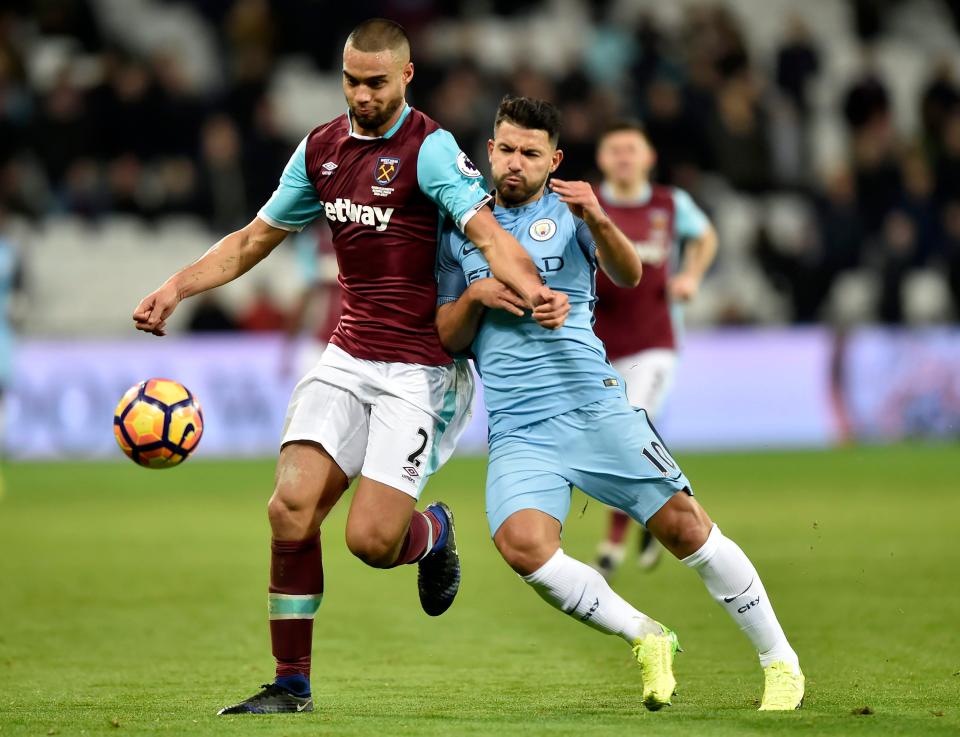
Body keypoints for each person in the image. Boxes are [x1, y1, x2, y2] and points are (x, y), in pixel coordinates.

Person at [132, 20, 568, 715]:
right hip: (347, 352)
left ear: (405, 77)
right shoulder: (321, 150)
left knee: (370, 540)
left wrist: (534, 287)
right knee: (290, 507)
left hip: (420, 369)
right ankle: (290, 683)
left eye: (376, 82)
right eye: (351, 81)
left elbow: (486, 230)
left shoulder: (429, 150)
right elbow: (254, 239)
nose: (361, 95)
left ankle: (433, 533)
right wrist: (178, 287)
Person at [436, 96, 803, 712]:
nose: (514, 164)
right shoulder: (461, 229)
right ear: (489, 150)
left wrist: (601, 219)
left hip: (594, 408)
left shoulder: (572, 211)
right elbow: (448, 335)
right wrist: (476, 296)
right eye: (505, 149)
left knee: (686, 527)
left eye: (530, 153)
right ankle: (647, 635)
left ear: (554, 160)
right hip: (520, 428)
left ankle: (780, 661)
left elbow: (632, 275)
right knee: (523, 546)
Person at [590, 122, 718, 576]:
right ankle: (661, 507)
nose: (624, 157)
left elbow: (706, 236)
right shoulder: (589, 205)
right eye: (615, 150)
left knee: (633, 420)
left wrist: (692, 277)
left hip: (656, 340)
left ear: (648, 158)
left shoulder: (670, 203)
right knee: (620, 435)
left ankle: (613, 540)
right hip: (600, 345)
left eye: (632, 149)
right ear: (603, 160)